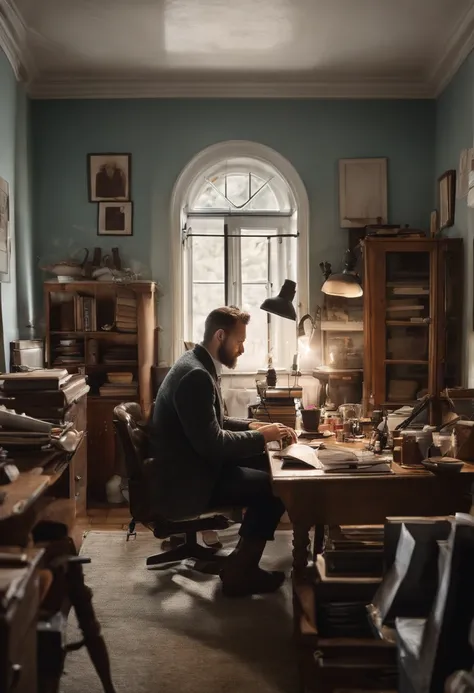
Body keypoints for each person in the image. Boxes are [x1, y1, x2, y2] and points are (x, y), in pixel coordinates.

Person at [149, 306, 297, 597]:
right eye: (239, 341)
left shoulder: (197, 363)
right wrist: (259, 436)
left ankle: (241, 560)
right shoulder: (196, 376)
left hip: (191, 465)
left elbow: (213, 422)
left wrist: (255, 425)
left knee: (267, 462)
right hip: (189, 480)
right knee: (273, 489)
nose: (242, 349)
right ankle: (241, 572)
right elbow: (212, 444)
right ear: (220, 336)